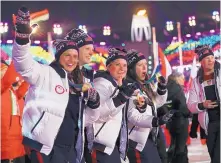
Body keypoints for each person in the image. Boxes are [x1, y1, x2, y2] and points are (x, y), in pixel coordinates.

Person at [12, 7, 100, 163]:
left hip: (71, 148)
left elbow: (85, 119)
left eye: (74, 56)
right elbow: (23, 64)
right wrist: (22, 38)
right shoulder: (45, 73)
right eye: (67, 55)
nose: (71, 60)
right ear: (59, 57)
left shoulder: (82, 83)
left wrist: (94, 102)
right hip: (44, 147)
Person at [89, 48, 138, 163]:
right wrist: (121, 98)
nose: (122, 69)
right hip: (100, 146)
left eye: (125, 65)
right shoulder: (102, 84)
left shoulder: (118, 85)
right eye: (117, 64)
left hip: (112, 146)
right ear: (108, 66)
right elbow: (98, 114)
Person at [125, 49, 174, 163]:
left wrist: (162, 89)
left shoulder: (145, 84)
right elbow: (133, 116)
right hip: (137, 141)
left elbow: (156, 103)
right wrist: (156, 121)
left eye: (145, 64)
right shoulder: (129, 87)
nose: (144, 68)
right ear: (131, 69)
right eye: (140, 65)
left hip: (150, 136)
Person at [188, 45, 220, 163]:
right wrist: (202, 105)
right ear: (201, 61)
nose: (211, 60)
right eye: (207, 58)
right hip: (208, 125)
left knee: (217, 158)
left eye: (212, 57)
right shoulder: (197, 81)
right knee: (213, 157)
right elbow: (191, 105)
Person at [1, 61, 30, 163]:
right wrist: (19, 57)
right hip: (7, 147)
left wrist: (28, 77)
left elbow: (21, 92)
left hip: (18, 144)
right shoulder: (2, 89)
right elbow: (8, 79)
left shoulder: (11, 92)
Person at [164, 71, 190, 163]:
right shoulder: (178, 89)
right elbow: (182, 106)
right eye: (182, 78)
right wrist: (189, 113)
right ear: (177, 78)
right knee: (180, 148)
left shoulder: (166, 88)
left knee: (174, 144)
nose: (184, 80)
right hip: (181, 121)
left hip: (171, 122)